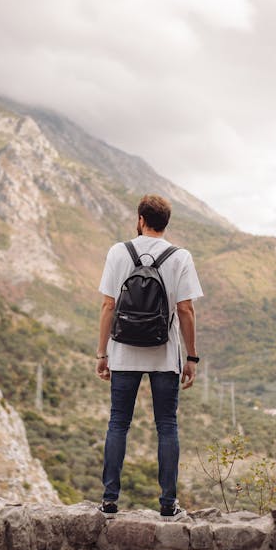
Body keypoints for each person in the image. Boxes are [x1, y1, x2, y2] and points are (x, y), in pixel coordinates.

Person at [96, 194, 203, 520]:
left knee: (118, 424)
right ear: (165, 223)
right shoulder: (180, 256)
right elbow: (186, 310)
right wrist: (192, 357)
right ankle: (168, 504)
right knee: (167, 426)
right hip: (164, 354)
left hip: (124, 352)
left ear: (141, 219)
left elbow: (108, 306)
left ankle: (110, 501)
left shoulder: (118, 252)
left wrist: (102, 353)